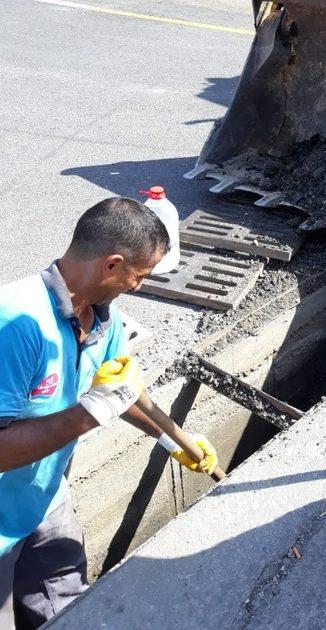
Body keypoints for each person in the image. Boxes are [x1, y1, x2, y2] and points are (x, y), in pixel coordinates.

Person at [0, 198, 218, 628]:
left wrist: (171, 438)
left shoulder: (103, 317)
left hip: (45, 496)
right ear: (113, 265)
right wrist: (90, 412)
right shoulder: (16, 324)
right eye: (141, 275)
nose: (140, 286)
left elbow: (120, 391)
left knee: (66, 600)